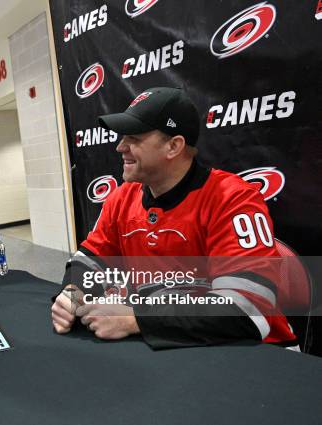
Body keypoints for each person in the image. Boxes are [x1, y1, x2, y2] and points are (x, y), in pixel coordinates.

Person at [51, 87, 297, 349]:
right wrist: (72, 293)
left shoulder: (233, 198)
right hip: (177, 346)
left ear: (174, 146)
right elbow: (90, 261)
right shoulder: (122, 198)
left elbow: (247, 312)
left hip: (257, 353)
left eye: (133, 137)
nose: (120, 146)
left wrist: (137, 319)